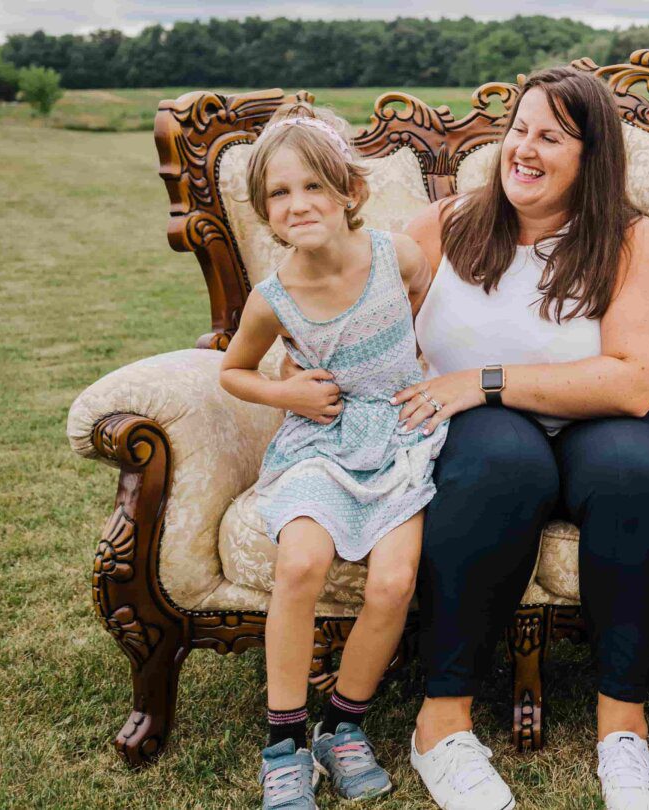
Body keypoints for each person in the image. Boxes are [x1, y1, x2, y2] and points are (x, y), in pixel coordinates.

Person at [396, 66, 649, 810]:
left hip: (598, 426)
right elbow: (359, 318)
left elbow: (635, 382)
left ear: (592, 158)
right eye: (519, 130)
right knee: (503, 457)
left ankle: (622, 728)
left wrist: (485, 379)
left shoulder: (632, 240)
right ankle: (442, 724)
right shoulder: (441, 227)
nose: (524, 149)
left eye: (550, 138)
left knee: (636, 472)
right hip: (481, 439)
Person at [219, 101, 442, 809]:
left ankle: (342, 726)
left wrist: (427, 377)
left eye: (314, 185)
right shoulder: (272, 299)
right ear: (264, 211)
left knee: (393, 583)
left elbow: (426, 314)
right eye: (279, 193)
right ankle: (284, 741)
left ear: (351, 191)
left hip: (401, 436)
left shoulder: (396, 255)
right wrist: (289, 394)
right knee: (301, 564)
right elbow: (234, 372)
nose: (298, 204)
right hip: (322, 439)